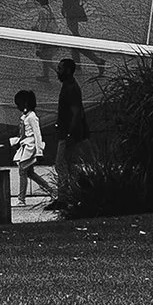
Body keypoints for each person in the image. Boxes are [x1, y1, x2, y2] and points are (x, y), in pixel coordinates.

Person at [10, 87, 56, 211]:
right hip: (26, 145)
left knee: (22, 171)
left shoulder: (32, 117)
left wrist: (39, 150)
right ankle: (52, 191)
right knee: (29, 172)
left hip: (30, 147)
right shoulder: (26, 116)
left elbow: (37, 134)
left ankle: (21, 199)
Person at [53, 56, 88, 202]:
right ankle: (74, 192)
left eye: (60, 68)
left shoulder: (71, 88)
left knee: (61, 163)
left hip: (68, 133)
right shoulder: (69, 86)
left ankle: (64, 197)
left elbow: (75, 112)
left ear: (67, 70)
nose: (58, 71)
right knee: (68, 164)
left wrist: (69, 133)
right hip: (69, 132)